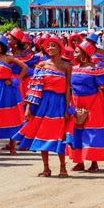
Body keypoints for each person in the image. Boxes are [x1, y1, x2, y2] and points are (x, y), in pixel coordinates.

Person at [14, 36, 71, 178]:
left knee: (59, 136)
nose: (50, 48)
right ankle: (46, 168)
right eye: (48, 46)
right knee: (42, 134)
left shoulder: (66, 66)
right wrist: (28, 108)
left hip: (59, 103)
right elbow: (34, 88)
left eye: (53, 46)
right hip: (43, 104)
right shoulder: (42, 65)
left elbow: (68, 88)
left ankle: (63, 168)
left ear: (60, 48)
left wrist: (67, 107)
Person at [66, 41, 104, 171]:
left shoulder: (96, 69)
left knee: (92, 132)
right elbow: (70, 88)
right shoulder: (73, 68)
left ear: (84, 54)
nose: (74, 54)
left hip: (93, 104)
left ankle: (94, 162)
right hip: (76, 102)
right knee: (76, 132)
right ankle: (79, 161)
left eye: (77, 52)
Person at [0, 34, 27, 155]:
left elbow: (24, 67)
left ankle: (12, 146)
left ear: (3, 46)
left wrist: (17, 79)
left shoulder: (9, 58)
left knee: (11, 116)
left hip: (8, 90)